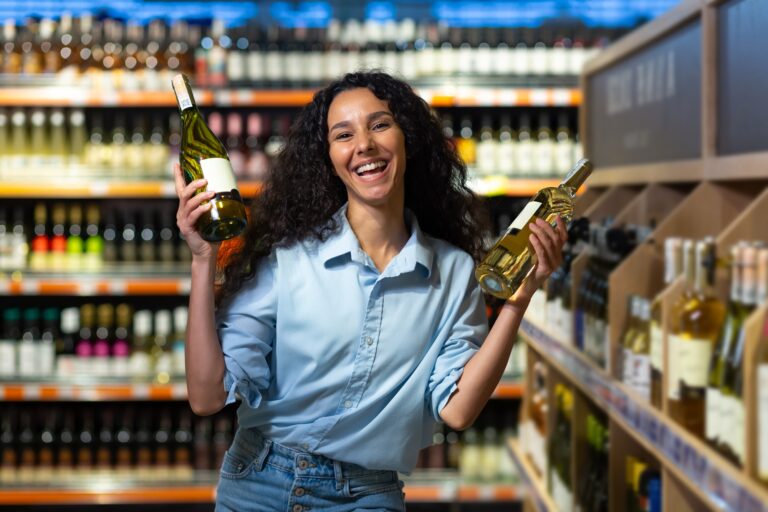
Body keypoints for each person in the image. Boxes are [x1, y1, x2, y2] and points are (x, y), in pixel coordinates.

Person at [174, 71, 567, 511]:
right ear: (328, 157)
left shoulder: (453, 272)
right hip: (261, 484)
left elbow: (457, 410)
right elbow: (207, 397)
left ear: (408, 139)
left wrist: (519, 298)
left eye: (379, 124)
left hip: (367, 496)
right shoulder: (287, 258)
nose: (364, 144)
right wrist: (202, 259)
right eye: (344, 134)